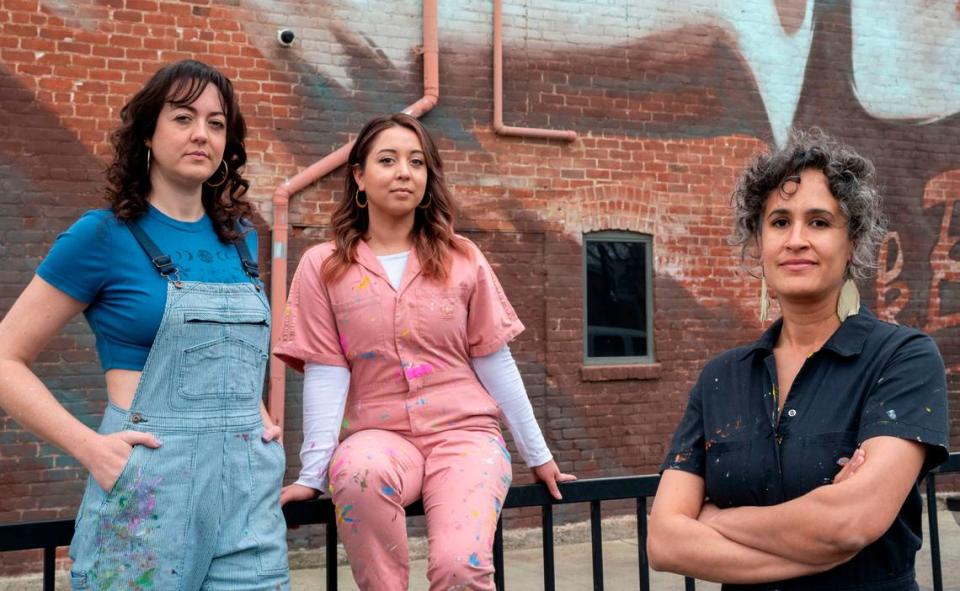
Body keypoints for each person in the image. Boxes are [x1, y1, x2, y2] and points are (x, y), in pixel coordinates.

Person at [0, 60, 289, 590]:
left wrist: (260, 415)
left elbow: (234, 348)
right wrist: (90, 447)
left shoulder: (242, 240)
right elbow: (4, 359)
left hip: (248, 499)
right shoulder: (103, 236)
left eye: (217, 122)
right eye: (183, 117)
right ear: (149, 134)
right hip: (148, 490)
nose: (202, 133)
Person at [273, 113, 575, 591]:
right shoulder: (323, 266)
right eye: (387, 160)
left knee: (459, 568)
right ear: (359, 175)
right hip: (377, 433)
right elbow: (326, 372)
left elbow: (494, 361)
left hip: (465, 436)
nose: (403, 172)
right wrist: (312, 474)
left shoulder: (462, 258)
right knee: (356, 474)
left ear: (428, 177)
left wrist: (537, 454)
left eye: (416, 162)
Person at [647, 129, 949, 589]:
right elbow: (665, 542)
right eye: (780, 222)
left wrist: (716, 521)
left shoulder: (901, 358)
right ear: (758, 242)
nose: (797, 240)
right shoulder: (721, 379)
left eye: (820, 222)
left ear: (853, 244)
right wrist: (817, 548)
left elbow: (850, 522)